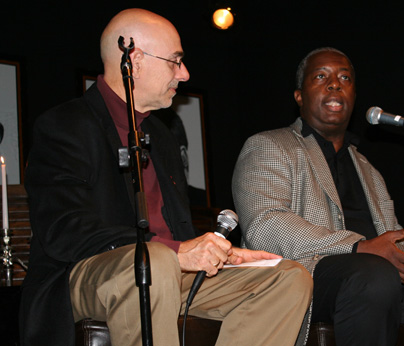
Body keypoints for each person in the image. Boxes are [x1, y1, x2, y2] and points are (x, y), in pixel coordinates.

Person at [19, 8, 312, 346]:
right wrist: (174, 252)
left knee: (289, 278)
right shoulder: (65, 125)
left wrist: (220, 254)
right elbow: (64, 231)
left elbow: (178, 236)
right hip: (87, 274)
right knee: (153, 262)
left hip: (168, 268)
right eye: (176, 60)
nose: (185, 74)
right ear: (136, 59)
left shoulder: (161, 136)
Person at [232, 47, 404, 346]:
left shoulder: (367, 168)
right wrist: (358, 247)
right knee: (372, 273)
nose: (335, 83)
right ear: (299, 96)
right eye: (321, 76)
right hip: (305, 279)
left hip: (380, 287)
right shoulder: (269, 146)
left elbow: (392, 238)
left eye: (345, 78)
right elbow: (264, 226)